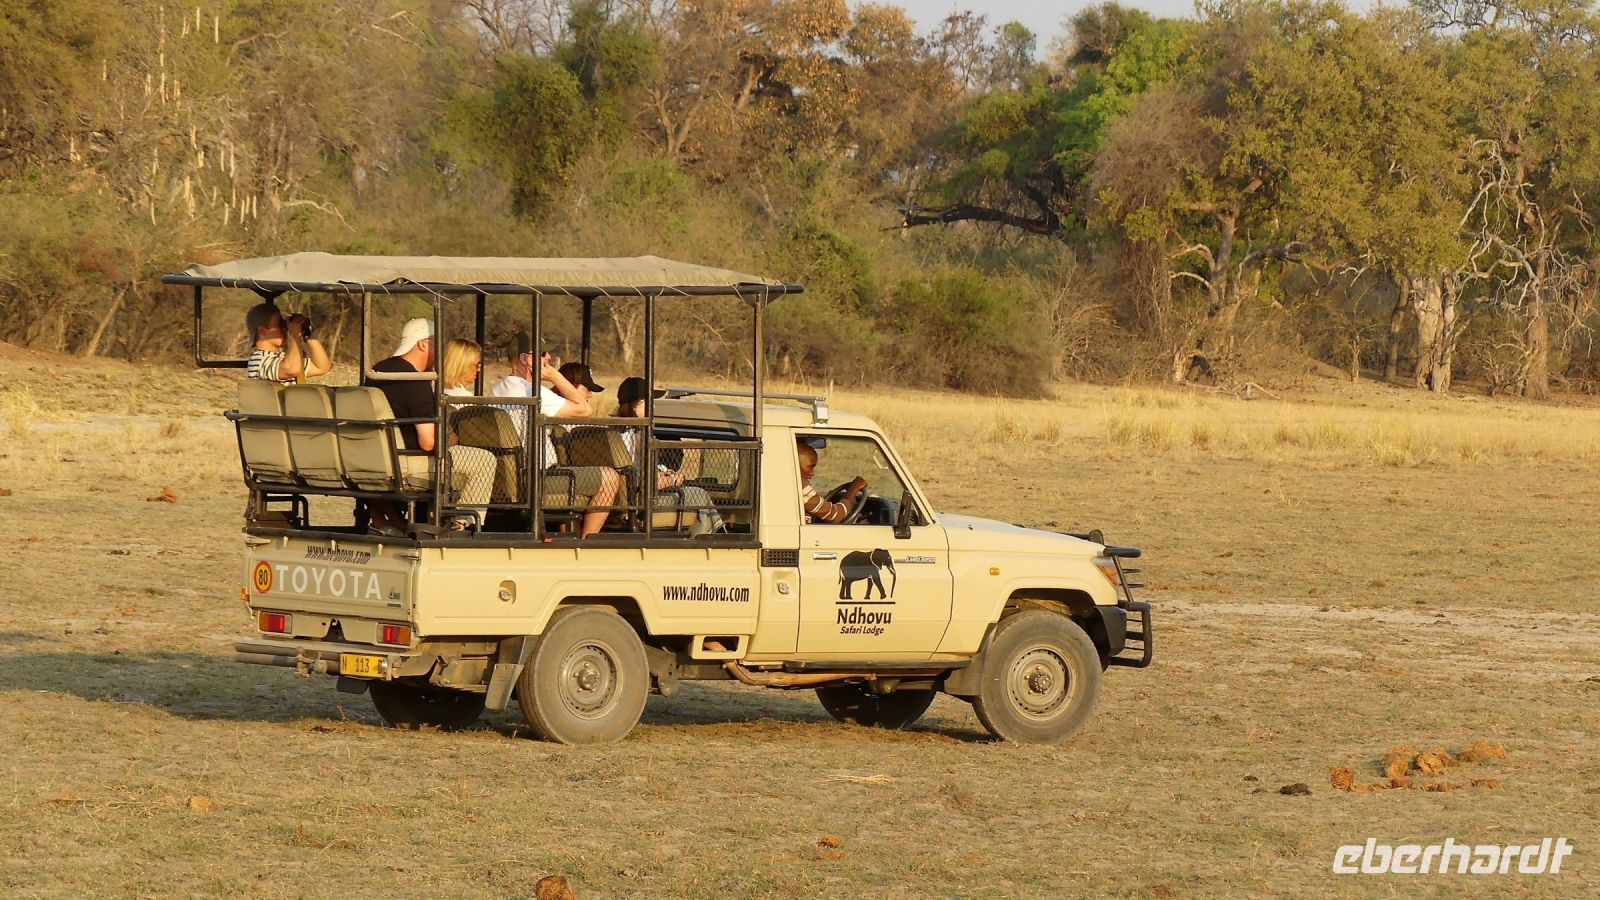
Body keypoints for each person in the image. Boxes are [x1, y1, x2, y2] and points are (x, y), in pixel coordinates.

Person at [363, 320, 493, 534]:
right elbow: (428, 442)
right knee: (484, 460)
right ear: (423, 344)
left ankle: (387, 521)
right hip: (408, 461)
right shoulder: (416, 379)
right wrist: (451, 438)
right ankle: (461, 525)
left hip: (375, 458)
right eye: (436, 345)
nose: (441, 354)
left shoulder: (377, 371)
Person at [488, 343, 617, 538]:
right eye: (542, 355)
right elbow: (584, 410)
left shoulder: (497, 389)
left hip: (511, 477)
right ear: (526, 359)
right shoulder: (531, 390)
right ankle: (586, 543)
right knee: (610, 477)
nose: (548, 358)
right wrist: (556, 377)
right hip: (538, 477)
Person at [615, 376, 723, 535]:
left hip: (629, 495)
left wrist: (663, 472)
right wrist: (672, 480)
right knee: (699, 493)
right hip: (640, 499)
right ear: (637, 405)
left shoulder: (615, 431)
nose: (653, 407)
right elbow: (644, 481)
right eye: (649, 402)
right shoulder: (636, 436)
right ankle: (704, 539)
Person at [244, 302, 331, 382]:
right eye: (280, 325)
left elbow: (322, 367)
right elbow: (292, 369)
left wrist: (307, 333)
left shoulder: (283, 359)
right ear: (262, 331)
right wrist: (293, 335)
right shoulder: (258, 361)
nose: (285, 329)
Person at [798, 438, 868, 524]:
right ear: (796, 464)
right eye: (810, 467)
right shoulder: (800, 487)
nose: (812, 473)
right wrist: (851, 492)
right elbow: (834, 516)